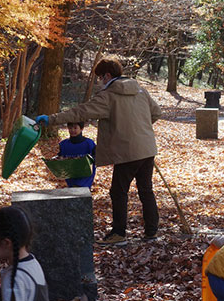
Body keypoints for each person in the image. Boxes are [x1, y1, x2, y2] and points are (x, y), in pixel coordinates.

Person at [36, 57, 162, 246]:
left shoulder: (108, 96)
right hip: (147, 148)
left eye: (100, 78)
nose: (99, 82)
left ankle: (119, 233)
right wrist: (139, 130)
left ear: (108, 75)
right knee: (146, 190)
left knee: (118, 191)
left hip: (128, 152)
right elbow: (157, 112)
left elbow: (81, 112)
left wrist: (51, 119)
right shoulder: (140, 91)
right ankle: (151, 232)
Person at [57, 121, 96, 188]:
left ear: (81, 129)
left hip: (85, 177)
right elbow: (60, 158)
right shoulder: (64, 144)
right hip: (71, 176)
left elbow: (95, 158)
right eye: (70, 128)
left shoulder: (89, 143)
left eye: (75, 128)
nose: (72, 130)